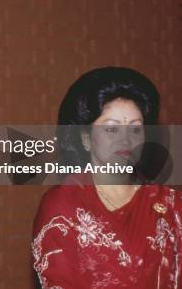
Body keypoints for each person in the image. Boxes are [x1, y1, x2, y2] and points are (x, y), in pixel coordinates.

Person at [32, 67, 181, 289]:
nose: (126, 140)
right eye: (111, 129)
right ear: (86, 138)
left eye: (135, 129)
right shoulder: (62, 208)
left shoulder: (170, 204)